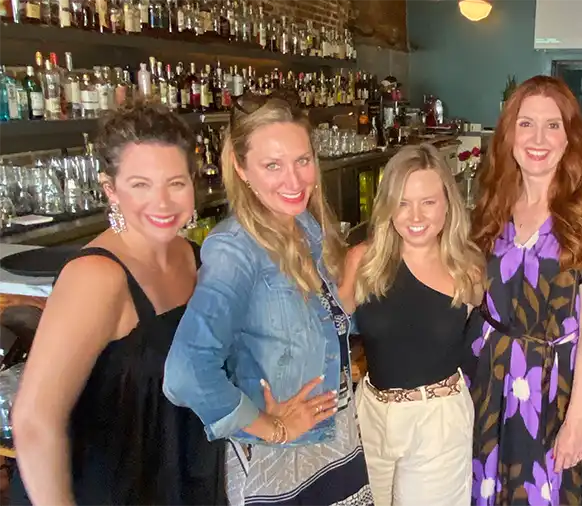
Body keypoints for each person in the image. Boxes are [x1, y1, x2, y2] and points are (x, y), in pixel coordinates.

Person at [163, 93, 373, 506]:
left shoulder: (306, 227)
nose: (294, 181)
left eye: (302, 160)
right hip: (279, 461)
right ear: (241, 169)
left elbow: (321, 325)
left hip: (334, 441)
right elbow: (185, 372)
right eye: (272, 165)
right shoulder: (235, 249)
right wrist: (271, 427)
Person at [10, 104, 226, 506]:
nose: (161, 202)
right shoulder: (98, 277)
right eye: (140, 184)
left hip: (180, 475)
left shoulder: (195, 257)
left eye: (175, 183)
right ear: (111, 189)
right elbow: (34, 421)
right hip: (107, 488)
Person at [467, 75, 582, 505]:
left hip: (550, 388)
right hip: (488, 377)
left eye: (552, 125)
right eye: (526, 124)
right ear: (509, 134)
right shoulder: (494, 199)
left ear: (569, 135)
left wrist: (578, 416)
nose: (538, 139)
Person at [340, 143, 485, 505]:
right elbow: (331, 330)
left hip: (436, 420)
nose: (415, 215)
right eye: (403, 203)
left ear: (448, 202)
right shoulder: (363, 260)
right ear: (387, 206)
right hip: (371, 412)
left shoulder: (468, 268)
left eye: (428, 201)